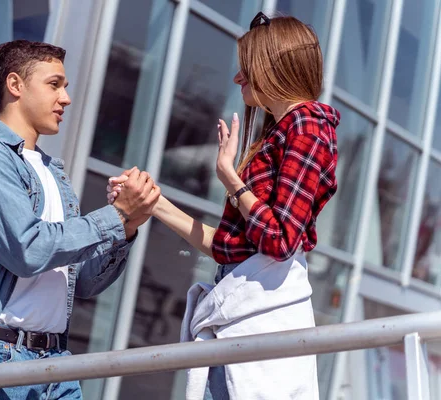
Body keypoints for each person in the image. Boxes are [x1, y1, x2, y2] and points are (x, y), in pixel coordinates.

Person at [108, 12, 339, 399]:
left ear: (274, 68)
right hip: (243, 317)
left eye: (246, 69)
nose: (237, 78)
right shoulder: (284, 131)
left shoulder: (307, 127)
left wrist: (231, 178)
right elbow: (227, 246)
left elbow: (279, 241)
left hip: (256, 323)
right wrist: (153, 202)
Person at [0, 40, 160, 399]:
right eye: (55, 84)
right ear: (15, 85)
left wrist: (127, 226)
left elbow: (83, 284)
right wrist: (115, 214)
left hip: (56, 363)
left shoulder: (54, 174)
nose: (65, 98)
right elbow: (28, 249)